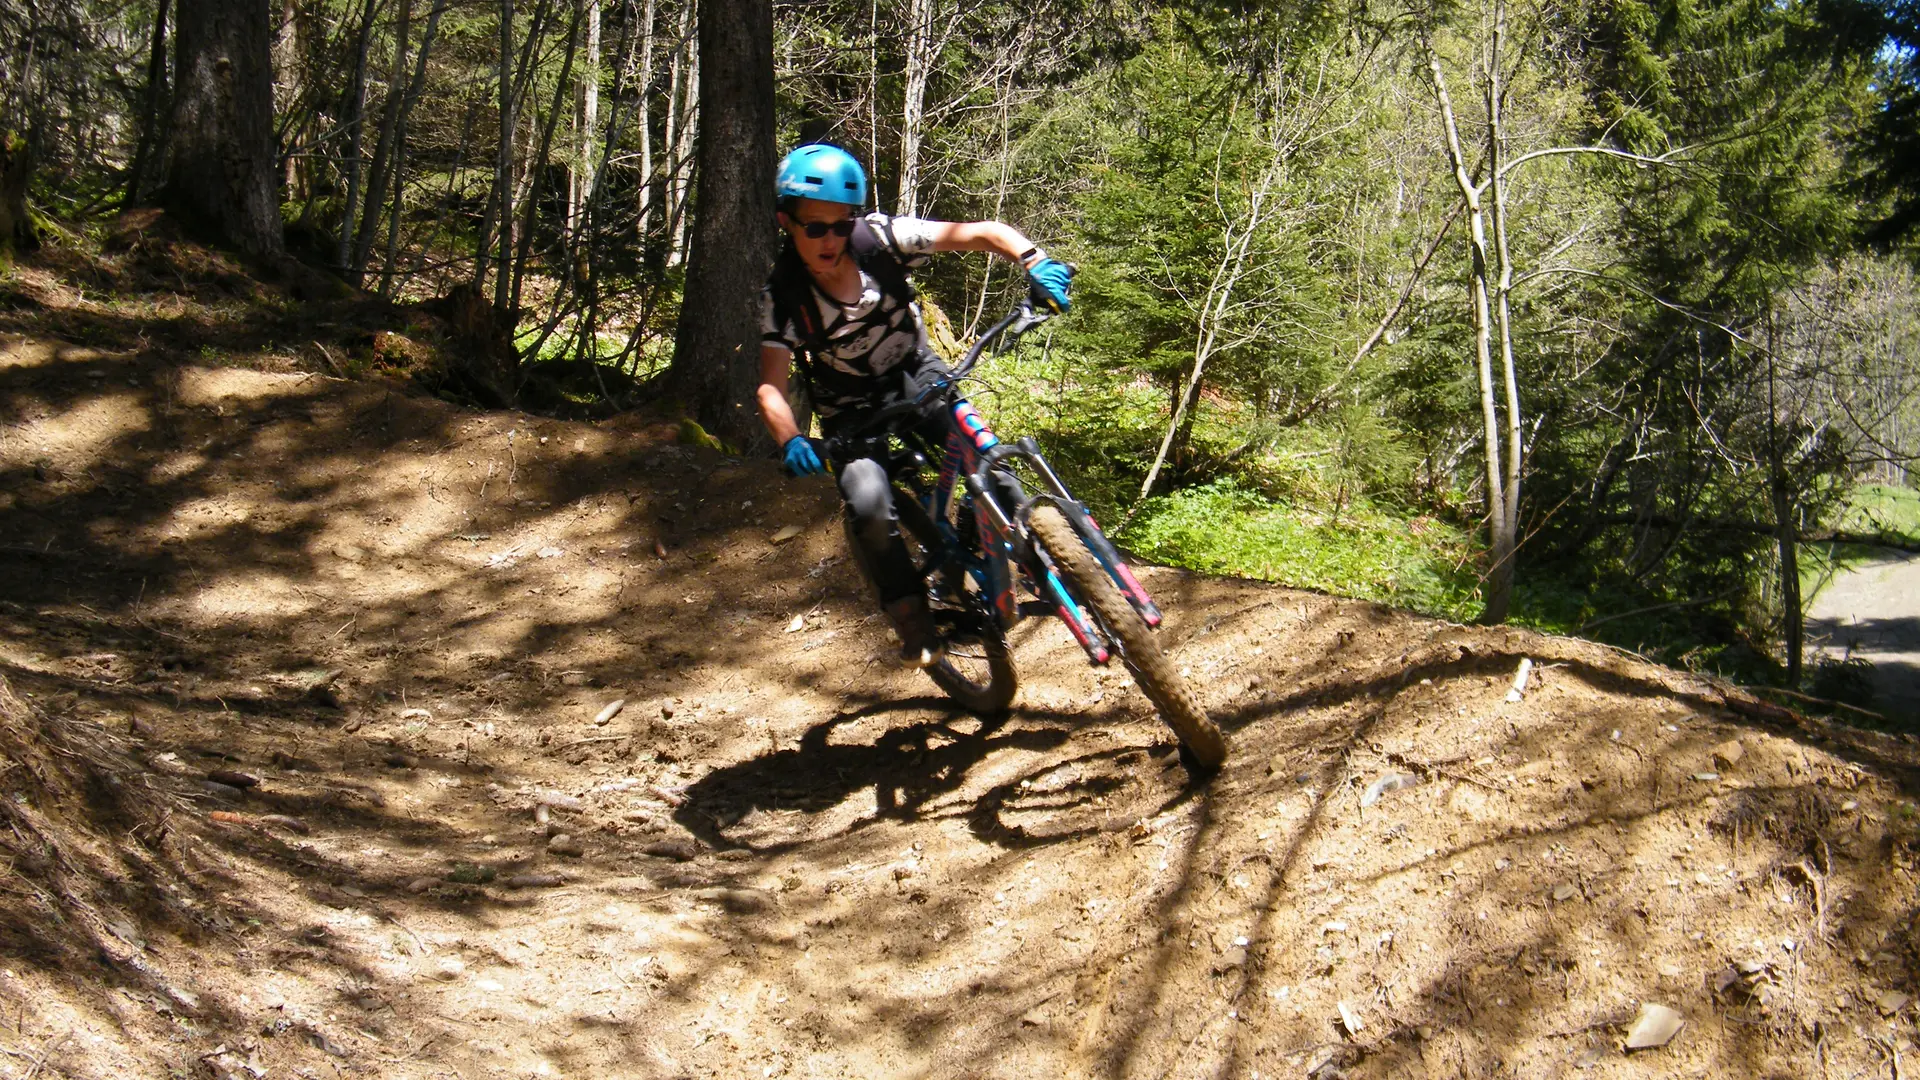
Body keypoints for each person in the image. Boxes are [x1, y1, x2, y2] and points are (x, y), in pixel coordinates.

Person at [755, 143, 1073, 667]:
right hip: (850, 410)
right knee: (870, 505)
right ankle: (913, 618)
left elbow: (981, 232)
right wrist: (789, 438)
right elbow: (770, 386)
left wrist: (1035, 260)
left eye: (841, 224)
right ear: (787, 222)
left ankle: (1045, 556)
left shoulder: (879, 238)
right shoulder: (782, 297)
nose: (831, 239)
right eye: (816, 227)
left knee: (983, 449)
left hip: (913, 371)